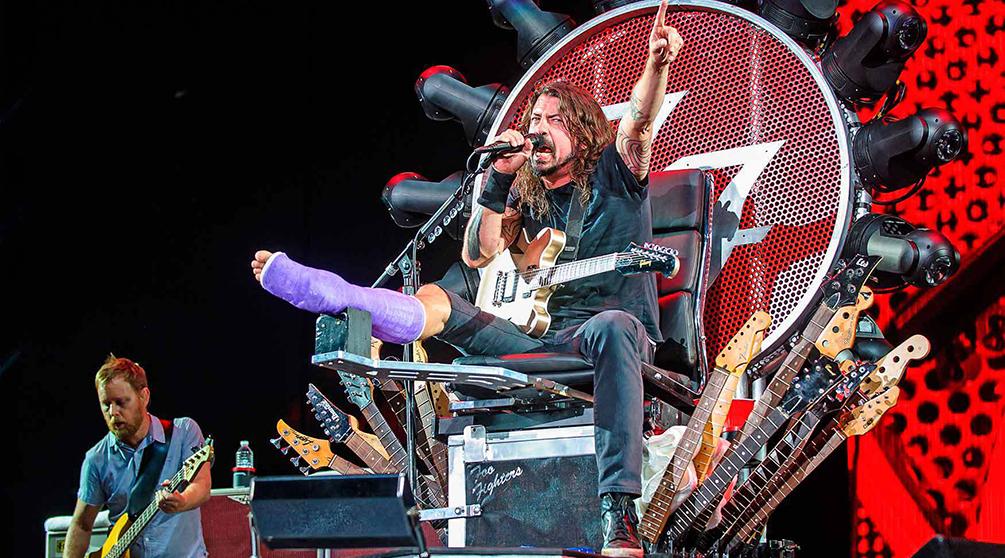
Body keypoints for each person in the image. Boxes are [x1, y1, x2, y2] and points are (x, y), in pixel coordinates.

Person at [251, 3, 681, 555]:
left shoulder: (616, 176)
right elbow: (479, 255)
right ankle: (345, 297)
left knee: (612, 324)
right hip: (537, 336)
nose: (537, 130)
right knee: (441, 298)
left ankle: (617, 512)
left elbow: (639, 123)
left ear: (582, 127)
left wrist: (656, 65)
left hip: (609, 335)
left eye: (551, 120)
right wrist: (497, 180)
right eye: (533, 121)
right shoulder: (524, 195)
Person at [63, 355, 211, 558]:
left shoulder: (183, 431)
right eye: (106, 404)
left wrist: (182, 501)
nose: (113, 412)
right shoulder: (96, 459)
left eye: (121, 402)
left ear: (144, 396)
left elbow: (202, 485)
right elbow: (82, 525)